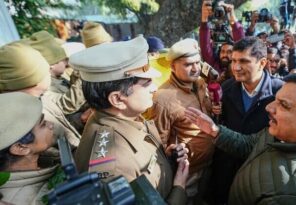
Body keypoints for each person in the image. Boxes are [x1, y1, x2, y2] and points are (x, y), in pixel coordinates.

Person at [185, 72, 296, 205]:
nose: (268, 107)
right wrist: (215, 131)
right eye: (276, 99)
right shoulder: (286, 133)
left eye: (283, 105)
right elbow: (251, 144)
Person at [70, 36, 189, 204]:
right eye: (147, 83)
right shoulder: (115, 168)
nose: (154, 88)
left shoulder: (124, 116)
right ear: (117, 99)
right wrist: (179, 187)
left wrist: (166, 159)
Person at [210, 36, 283, 204]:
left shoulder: (280, 92)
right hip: (227, 168)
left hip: (262, 171)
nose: (236, 67)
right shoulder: (226, 88)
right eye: (234, 61)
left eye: (243, 61)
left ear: (263, 62)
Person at [149, 38, 213, 203]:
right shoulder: (163, 98)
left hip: (209, 163)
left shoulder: (199, 83)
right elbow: (159, 142)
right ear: (172, 66)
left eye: (198, 63)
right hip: (187, 173)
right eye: (188, 64)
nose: (195, 69)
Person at [0, 92, 57, 205]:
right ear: (20, 147)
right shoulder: (31, 200)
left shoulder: (45, 158)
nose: (51, 124)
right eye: (43, 124)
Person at [199, 0, 245, 75]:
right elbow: (205, 46)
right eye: (222, 51)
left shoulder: (240, 68)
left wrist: (233, 20)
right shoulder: (213, 65)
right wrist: (204, 18)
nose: (225, 55)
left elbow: (243, 46)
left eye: (229, 52)